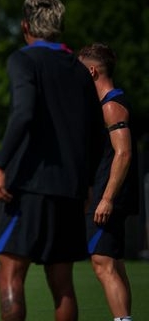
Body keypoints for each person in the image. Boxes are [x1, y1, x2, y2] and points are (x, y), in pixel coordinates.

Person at [0, 0, 105, 320]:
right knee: (63, 283)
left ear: (25, 27)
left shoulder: (23, 60)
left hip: (30, 186)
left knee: (9, 272)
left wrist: (0, 164)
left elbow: (23, 112)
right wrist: (88, 183)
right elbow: (97, 133)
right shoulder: (81, 70)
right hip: (71, 189)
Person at [78, 43, 138, 321]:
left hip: (109, 197)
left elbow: (123, 153)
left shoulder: (112, 105)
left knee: (102, 263)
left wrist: (107, 198)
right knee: (113, 263)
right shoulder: (105, 105)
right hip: (104, 194)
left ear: (91, 71)